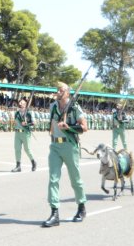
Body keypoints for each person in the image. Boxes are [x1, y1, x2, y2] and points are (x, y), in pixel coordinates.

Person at [42, 82, 88, 227]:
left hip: (69, 145)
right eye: (57, 90)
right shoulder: (53, 106)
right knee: (53, 179)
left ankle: (81, 207)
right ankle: (54, 213)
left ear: (67, 93)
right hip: (55, 146)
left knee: (75, 179)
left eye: (61, 90)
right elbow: (52, 124)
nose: (58, 92)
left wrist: (69, 127)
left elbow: (84, 127)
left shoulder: (75, 107)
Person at [12, 98, 36, 172]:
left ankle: (33, 162)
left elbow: (34, 123)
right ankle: (18, 166)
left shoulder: (29, 113)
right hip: (17, 133)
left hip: (25, 133)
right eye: (20, 103)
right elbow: (15, 122)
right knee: (17, 149)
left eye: (22, 103)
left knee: (27, 149)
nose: (20, 104)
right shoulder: (17, 113)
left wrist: (27, 124)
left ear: (25, 104)